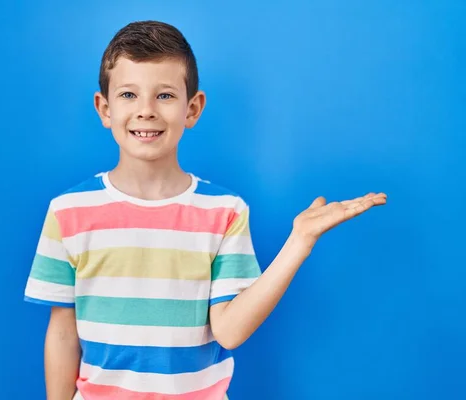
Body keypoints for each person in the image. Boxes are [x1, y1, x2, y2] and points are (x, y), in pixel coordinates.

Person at [23, 20, 387, 400]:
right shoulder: (68, 211)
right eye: (129, 95)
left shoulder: (225, 211)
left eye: (164, 96)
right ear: (105, 108)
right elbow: (63, 332)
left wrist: (299, 242)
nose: (146, 111)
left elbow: (229, 331)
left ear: (192, 108)